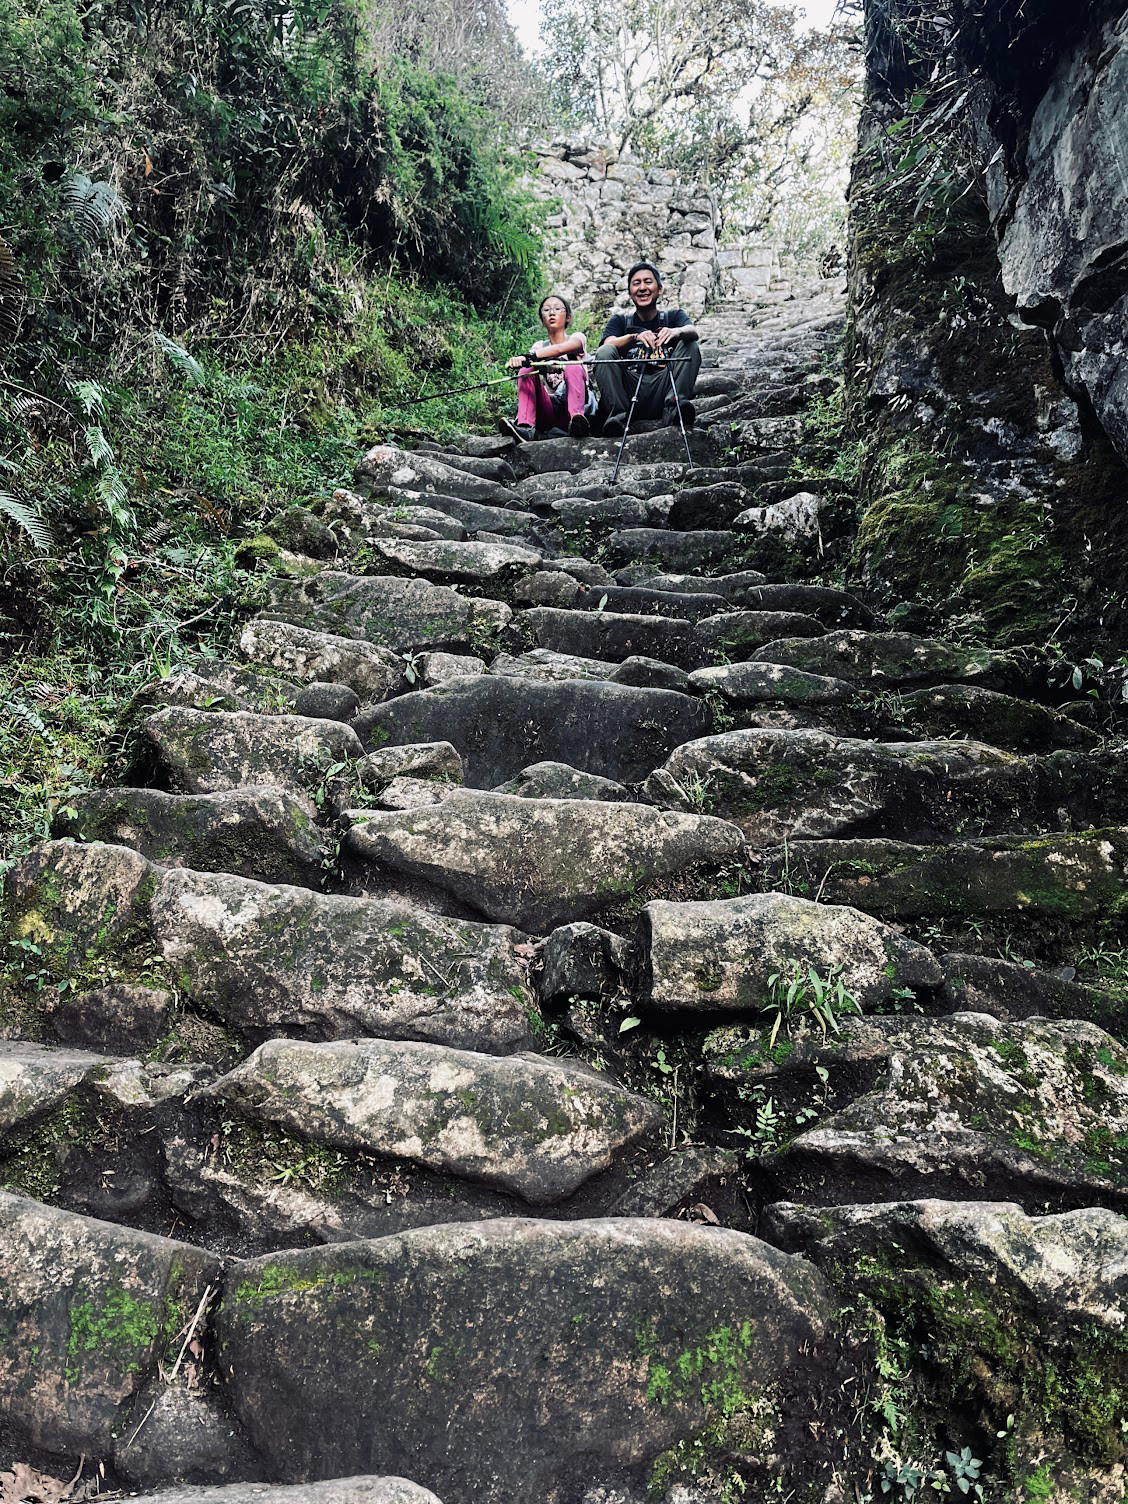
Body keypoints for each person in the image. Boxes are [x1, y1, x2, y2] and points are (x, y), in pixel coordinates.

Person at [591, 261, 701, 437]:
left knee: (690, 344)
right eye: (636, 283)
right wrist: (633, 337)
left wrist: (676, 332)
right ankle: (618, 418)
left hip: (664, 386)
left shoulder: (674, 316)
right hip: (629, 389)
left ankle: (674, 408)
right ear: (630, 292)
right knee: (604, 353)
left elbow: (693, 331)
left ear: (660, 289)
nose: (642, 288)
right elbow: (607, 345)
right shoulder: (620, 321)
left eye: (648, 282)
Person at [499, 293, 591, 442]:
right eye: (546, 310)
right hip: (550, 409)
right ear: (542, 320)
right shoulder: (539, 346)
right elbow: (529, 360)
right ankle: (525, 427)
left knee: (573, 366)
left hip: (574, 407)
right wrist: (522, 360)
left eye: (557, 309)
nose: (552, 313)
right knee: (526, 370)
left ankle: (577, 422)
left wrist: (533, 357)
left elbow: (561, 349)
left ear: (568, 317)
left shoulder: (577, 338)